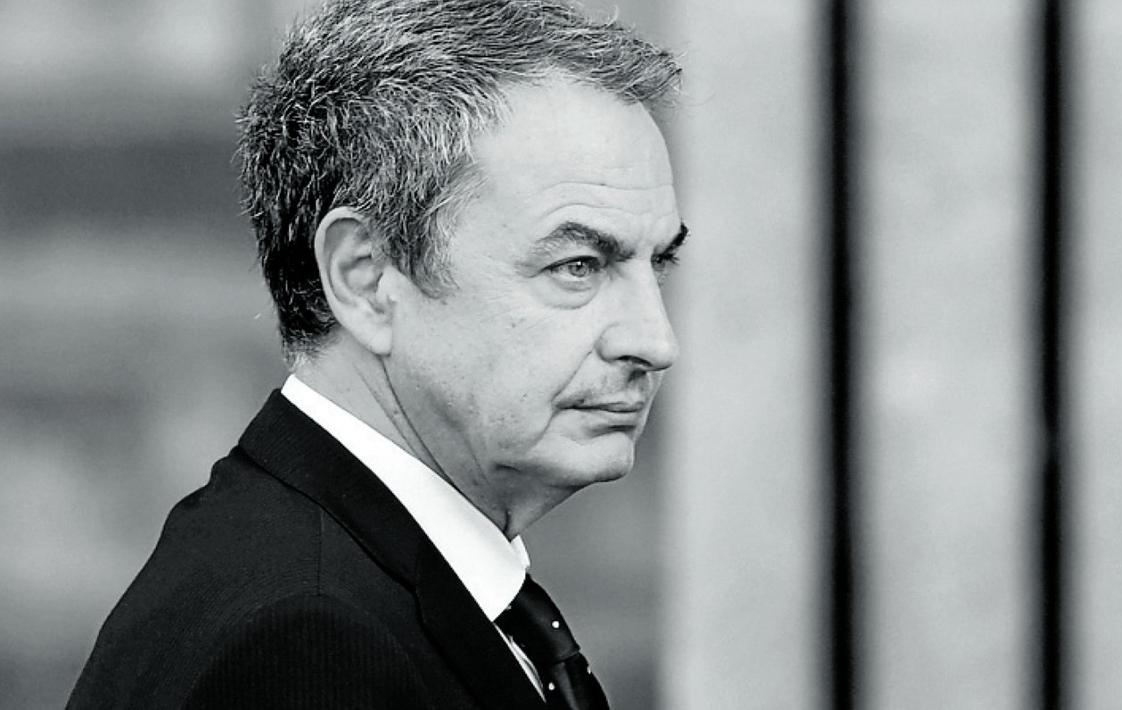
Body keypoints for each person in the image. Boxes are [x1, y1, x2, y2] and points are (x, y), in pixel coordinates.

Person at [67, 0, 684, 707]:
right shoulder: (305, 643)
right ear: (365, 277)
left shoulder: (337, 580)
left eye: (658, 264)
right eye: (578, 266)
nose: (654, 341)